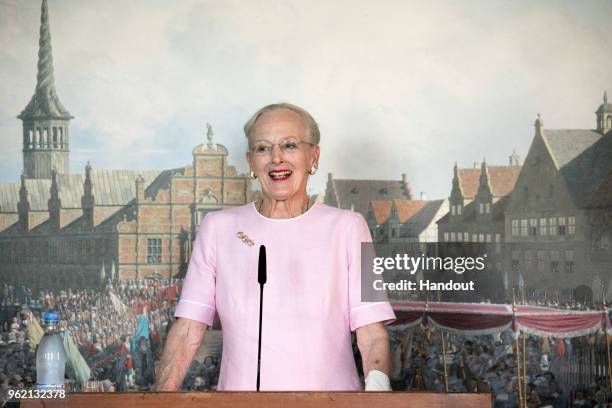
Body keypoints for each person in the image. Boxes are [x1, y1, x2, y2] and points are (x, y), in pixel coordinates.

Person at [155, 103, 395, 391]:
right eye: (263, 148)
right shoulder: (216, 228)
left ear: (313, 156)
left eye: (290, 145)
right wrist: (159, 401)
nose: (276, 158)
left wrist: (379, 397)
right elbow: (187, 330)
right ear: (251, 162)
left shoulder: (353, 227)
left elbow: (371, 332)